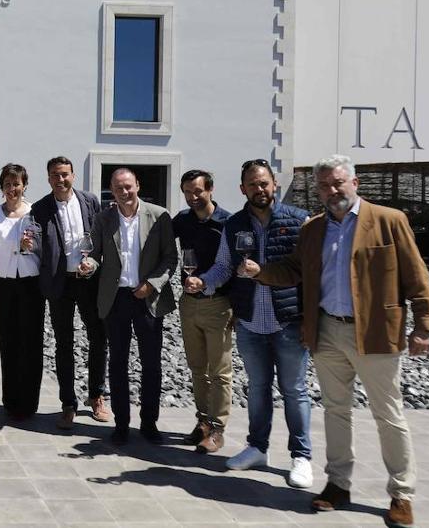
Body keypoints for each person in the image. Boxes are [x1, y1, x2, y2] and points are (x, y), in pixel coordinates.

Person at [241, 154, 429, 528]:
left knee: (388, 414)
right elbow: (295, 271)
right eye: (324, 186)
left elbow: (417, 277)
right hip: (328, 331)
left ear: (355, 183)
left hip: (376, 332)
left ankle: (401, 492)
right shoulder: (313, 229)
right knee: (335, 410)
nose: (332, 191)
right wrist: (261, 272)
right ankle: (338, 484)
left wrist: (424, 326)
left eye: (338, 183)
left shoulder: (388, 221)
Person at [190, 159, 313, 488]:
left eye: (264, 183)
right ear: (242, 189)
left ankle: (301, 456)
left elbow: (311, 273)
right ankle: (258, 447)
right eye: (252, 185)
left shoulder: (299, 221)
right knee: (257, 390)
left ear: (274, 184)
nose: (259, 189)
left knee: (294, 391)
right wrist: (205, 283)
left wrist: (312, 320)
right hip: (250, 322)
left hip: (288, 321)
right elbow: (223, 267)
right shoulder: (235, 224)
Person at [85, 167, 176, 444]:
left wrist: (152, 284)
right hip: (116, 299)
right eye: (118, 188)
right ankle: (121, 424)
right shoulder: (104, 218)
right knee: (118, 363)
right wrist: (89, 264)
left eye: (129, 186)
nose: (124, 192)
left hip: (147, 296)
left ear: (137, 185)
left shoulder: (159, 216)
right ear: (111, 191)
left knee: (151, 364)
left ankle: (149, 423)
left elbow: (170, 259)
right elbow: (97, 255)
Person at [30, 156, 107, 429]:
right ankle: (68, 403)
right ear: (48, 178)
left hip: (89, 281)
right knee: (63, 343)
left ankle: (97, 395)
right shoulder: (40, 209)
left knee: (98, 337)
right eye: (54, 175)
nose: (60, 180)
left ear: (73, 175)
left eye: (64, 174)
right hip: (59, 283)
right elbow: (37, 244)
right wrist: (28, 245)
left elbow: (100, 239)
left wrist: (95, 261)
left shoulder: (90, 201)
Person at [170, 169, 233, 454]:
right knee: (197, 369)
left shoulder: (228, 223)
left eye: (198, 191)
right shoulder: (182, 221)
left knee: (220, 371)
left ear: (211, 190)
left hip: (218, 304)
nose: (193, 197)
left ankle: (218, 428)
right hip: (188, 303)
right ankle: (203, 423)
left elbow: (231, 264)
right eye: (187, 192)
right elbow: (157, 239)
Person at [0, 163, 44, 421]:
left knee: (32, 342)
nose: (12, 189)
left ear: (24, 185)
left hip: (31, 283)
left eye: (16, 184)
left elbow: (46, 246)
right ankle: (12, 401)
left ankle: (29, 402)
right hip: (5, 284)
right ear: (1, 188)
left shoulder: (36, 213)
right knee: (9, 341)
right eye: (7, 184)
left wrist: (33, 245)